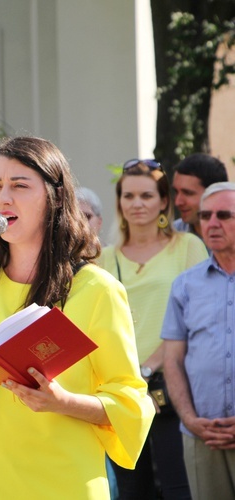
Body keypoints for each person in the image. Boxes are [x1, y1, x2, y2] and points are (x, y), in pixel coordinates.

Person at [0, 136, 154, 499]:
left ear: (54, 196)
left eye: (20, 185)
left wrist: (63, 402)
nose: (3, 198)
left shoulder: (95, 289)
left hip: (63, 481)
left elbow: (131, 403)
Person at [98, 158, 207, 499]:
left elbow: (195, 317)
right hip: (122, 390)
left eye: (146, 195)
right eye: (128, 196)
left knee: (179, 486)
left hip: (173, 383)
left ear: (163, 201)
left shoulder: (188, 247)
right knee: (132, 489)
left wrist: (147, 369)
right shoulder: (103, 258)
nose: (137, 204)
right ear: (119, 203)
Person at [162, 182, 235, 500]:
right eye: (205, 215)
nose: (212, 223)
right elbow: (173, 360)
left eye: (224, 215)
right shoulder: (185, 285)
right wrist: (190, 420)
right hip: (200, 435)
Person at [171, 153, 228, 242]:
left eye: (188, 193)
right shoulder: (170, 236)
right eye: (176, 192)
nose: (178, 202)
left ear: (215, 195)